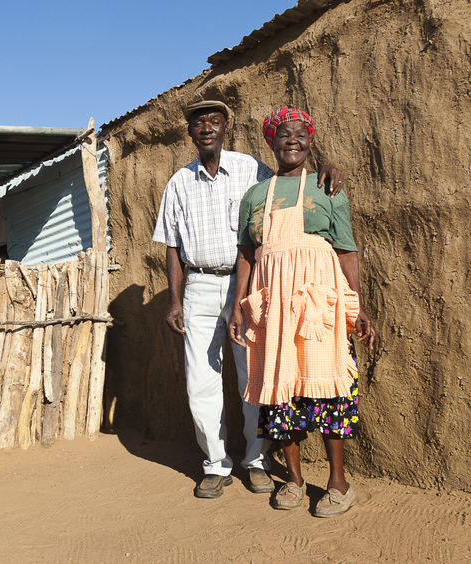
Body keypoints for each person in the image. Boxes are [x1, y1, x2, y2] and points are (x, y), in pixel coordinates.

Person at [153, 99, 345, 499]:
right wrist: (175, 300)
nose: (207, 127)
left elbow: (292, 174)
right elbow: (172, 246)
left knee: (255, 375)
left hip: (252, 285)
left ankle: (257, 462)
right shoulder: (178, 183)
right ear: (190, 132)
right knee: (200, 381)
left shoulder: (251, 169)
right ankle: (215, 465)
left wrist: (327, 168)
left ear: (227, 126)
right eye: (199, 123)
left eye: (215, 120)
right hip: (199, 285)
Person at [228, 107, 376, 517]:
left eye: (300, 134)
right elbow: (246, 254)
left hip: (318, 302)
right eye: (283, 134)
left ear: (310, 142)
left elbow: (346, 249)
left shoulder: (327, 187)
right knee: (280, 390)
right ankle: (293, 480)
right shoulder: (256, 195)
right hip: (274, 305)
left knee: (328, 387)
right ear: (271, 142)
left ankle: (338, 484)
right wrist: (239, 306)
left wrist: (357, 303)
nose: (291, 140)